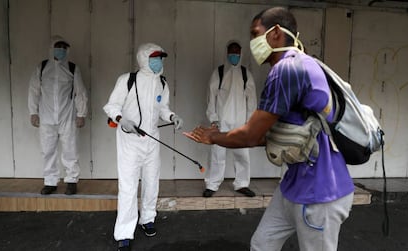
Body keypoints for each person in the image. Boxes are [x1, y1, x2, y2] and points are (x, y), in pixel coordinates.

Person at [184, 7, 354, 251]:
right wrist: (221, 131)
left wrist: (214, 136)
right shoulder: (296, 66)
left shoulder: (287, 70)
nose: (252, 42)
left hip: (320, 191)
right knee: (262, 244)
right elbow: (273, 133)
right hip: (292, 185)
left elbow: (253, 134)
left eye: (255, 34)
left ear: (275, 33)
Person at [103, 43, 183, 251]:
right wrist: (122, 119)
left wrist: (172, 116)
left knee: (151, 181)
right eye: (155, 57)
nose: (159, 61)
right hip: (130, 142)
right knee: (128, 186)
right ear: (143, 58)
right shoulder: (127, 80)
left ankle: (147, 218)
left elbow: (162, 108)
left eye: (161, 58)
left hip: (152, 140)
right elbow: (111, 106)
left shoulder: (162, 83)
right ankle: (124, 233)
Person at [28, 35, 88, 195]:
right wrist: (33, 112)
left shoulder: (72, 68)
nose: (61, 50)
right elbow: (33, 91)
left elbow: (80, 92)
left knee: (70, 149)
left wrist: (81, 114)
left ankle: (71, 180)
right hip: (46, 116)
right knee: (47, 150)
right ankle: (50, 181)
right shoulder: (42, 67)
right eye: (58, 46)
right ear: (51, 48)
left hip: (67, 116)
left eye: (63, 47)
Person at [204, 40, 257, 198]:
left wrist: (250, 121)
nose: (234, 56)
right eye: (231, 53)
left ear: (241, 54)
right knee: (217, 154)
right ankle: (212, 184)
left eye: (237, 53)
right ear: (226, 54)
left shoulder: (246, 74)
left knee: (242, 155)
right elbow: (210, 96)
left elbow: (252, 99)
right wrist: (213, 118)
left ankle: (242, 184)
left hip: (240, 122)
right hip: (221, 121)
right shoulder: (219, 72)